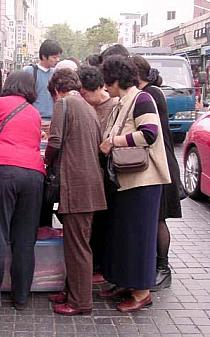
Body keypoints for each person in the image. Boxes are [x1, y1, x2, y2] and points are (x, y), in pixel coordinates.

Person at [99, 55, 171, 312]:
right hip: (127, 181)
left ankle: (142, 293)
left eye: (107, 80)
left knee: (139, 238)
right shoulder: (123, 101)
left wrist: (115, 142)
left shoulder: (142, 99)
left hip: (143, 182)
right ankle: (125, 283)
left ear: (116, 78)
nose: (104, 86)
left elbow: (149, 134)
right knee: (124, 236)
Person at [0, 71, 45, 312]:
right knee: (25, 237)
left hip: (2, 170)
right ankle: (21, 297)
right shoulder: (34, 112)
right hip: (34, 173)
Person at [45, 68, 107, 315]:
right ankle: (72, 291)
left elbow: (55, 141)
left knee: (78, 246)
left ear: (56, 89)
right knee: (77, 242)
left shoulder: (64, 104)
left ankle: (80, 302)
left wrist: (46, 162)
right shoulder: (87, 106)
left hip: (77, 185)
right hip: (90, 184)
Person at [132, 55, 183, 291]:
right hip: (163, 160)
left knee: (159, 217)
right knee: (157, 218)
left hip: (161, 163)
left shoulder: (149, 95)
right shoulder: (153, 91)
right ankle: (157, 265)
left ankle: (163, 268)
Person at [77, 65, 119, 285]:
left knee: (105, 223)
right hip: (93, 173)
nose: (83, 98)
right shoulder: (86, 106)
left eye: (84, 94)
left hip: (108, 174)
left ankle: (103, 267)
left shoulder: (114, 106)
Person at [23, 39, 62, 120]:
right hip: (34, 118)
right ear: (44, 56)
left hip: (53, 118)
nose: (57, 60)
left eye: (59, 57)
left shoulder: (57, 73)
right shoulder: (29, 71)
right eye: (54, 57)